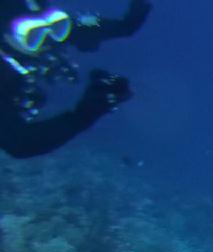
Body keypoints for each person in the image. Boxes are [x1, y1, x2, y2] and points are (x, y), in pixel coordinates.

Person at [0, 0, 150, 159]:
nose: (48, 41)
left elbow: (109, 27)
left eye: (57, 27)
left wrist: (133, 18)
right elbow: (19, 143)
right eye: (33, 35)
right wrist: (85, 114)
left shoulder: (42, 27)